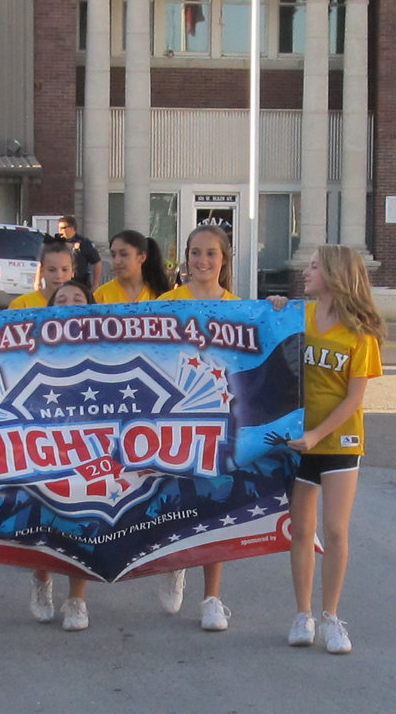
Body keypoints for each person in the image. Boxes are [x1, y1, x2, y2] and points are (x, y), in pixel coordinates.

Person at [271, 246, 384, 654]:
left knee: (335, 531)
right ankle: (303, 615)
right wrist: (275, 307)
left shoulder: (361, 332)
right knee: (301, 530)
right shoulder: (296, 316)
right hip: (298, 441)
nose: (306, 272)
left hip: (339, 440)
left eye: (315, 267)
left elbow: (354, 398)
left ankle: (332, 616)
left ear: (336, 275)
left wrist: (319, 433)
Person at [155, 224, 239, 631]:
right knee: (175, 501)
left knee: (213, 507)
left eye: (211, 253)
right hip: (171, 418)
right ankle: (176, 563)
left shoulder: (241, 308)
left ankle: (212, 597)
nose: (202, 261)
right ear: (184, 256)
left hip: (219, 421)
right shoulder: (165, 303)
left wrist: (277, 309)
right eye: (195, 252)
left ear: (223, 260)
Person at [22, 279, 98, 631]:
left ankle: (77, 599)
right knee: (45, 516)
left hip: (91, 446)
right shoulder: (29, 344)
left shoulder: (110, 345)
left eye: (78, 299)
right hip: (45, 445)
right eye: (61, 299)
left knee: (83, 517)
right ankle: (42, 579)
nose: (69, 303)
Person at [93, 229, 172, 303]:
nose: (117, 261)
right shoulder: (100, 296)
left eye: (124, 254)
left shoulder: (160, 294)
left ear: (142, 257)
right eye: (113, 255)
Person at [35, 216, 102, 290]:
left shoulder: (84, 243)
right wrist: (38, 280)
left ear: (73, 228)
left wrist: (96, 284)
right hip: (59, 283)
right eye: (59, 228)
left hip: (80, 284)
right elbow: (41, 263)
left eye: (63, 228)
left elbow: (97, 262)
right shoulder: (55, 243)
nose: (60, 231)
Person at [12, 241, 75, 309]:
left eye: (65, 270)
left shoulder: (80, 305)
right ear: (42, 271)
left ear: (73, 272)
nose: (58, 276)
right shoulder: (22, 304)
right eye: (51, 270)